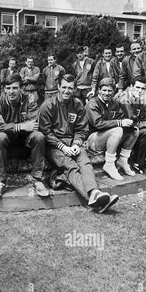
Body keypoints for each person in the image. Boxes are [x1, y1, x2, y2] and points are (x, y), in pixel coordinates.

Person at [39, 74, 119, 213]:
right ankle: (93, 197)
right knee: (70, 166)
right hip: (54, 146)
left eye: (70, 88)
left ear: (75, 89)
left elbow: (82, 129)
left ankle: (95, 193)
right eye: (64, 87)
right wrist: (62, 146)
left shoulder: (77, 104)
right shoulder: (48, 105)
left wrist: (76, 143)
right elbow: (45, 132)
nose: (66, 91)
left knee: (85, 162)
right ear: (58, 87)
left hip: (73, 142)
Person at [0, 74, 49, 199]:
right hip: (6, 142)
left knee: (38, 136)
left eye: (15, 88)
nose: (11, 91)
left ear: (21, 89)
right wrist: (19, 127)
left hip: (24, 142)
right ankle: (1, 181)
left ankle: (37, 179)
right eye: (8, 88)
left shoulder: (30, 100)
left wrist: (7, 126)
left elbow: (33, 125)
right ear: (4, 89)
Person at [85, 78, 139, 181]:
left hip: (108, 136)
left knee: (134, 131)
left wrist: (128, 122)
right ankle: (109, 164)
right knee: (118, 130)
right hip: (93, 138)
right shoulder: (92, 103)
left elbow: (120, 116)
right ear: (99, 90)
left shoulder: (114, 102)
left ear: (113, 91)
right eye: (104, 90)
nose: (107, 93)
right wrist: (119, 122)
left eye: (110, 91)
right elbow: (98, 124)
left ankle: (123, 160)